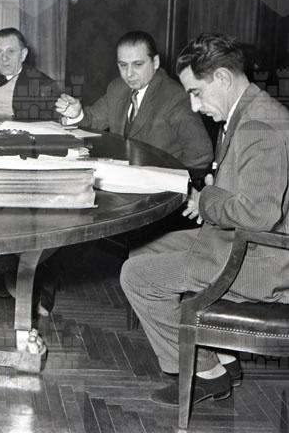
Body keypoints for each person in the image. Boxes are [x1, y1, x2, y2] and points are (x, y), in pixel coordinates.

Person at [120, 32, 289, 406]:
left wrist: (208, 199)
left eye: (196, 93)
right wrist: (215, 194)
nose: (194, 106)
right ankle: (222, 356)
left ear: (223, 78)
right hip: (238, 244)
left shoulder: (259, 127)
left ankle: (206, 371)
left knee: (137, 277)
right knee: (142, 252)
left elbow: (258, 214)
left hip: (260, 261)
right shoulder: (249, 111)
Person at [55, 30, 213, 184]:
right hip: (122, 181)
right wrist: (77, 115)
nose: (129, 74)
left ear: (155, 62)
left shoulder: (175, 97)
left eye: (138, 64)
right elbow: (93, 119)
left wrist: (170, 182)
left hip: (158, 188)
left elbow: (201, 153)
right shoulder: (118, 88)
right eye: (123, 65)